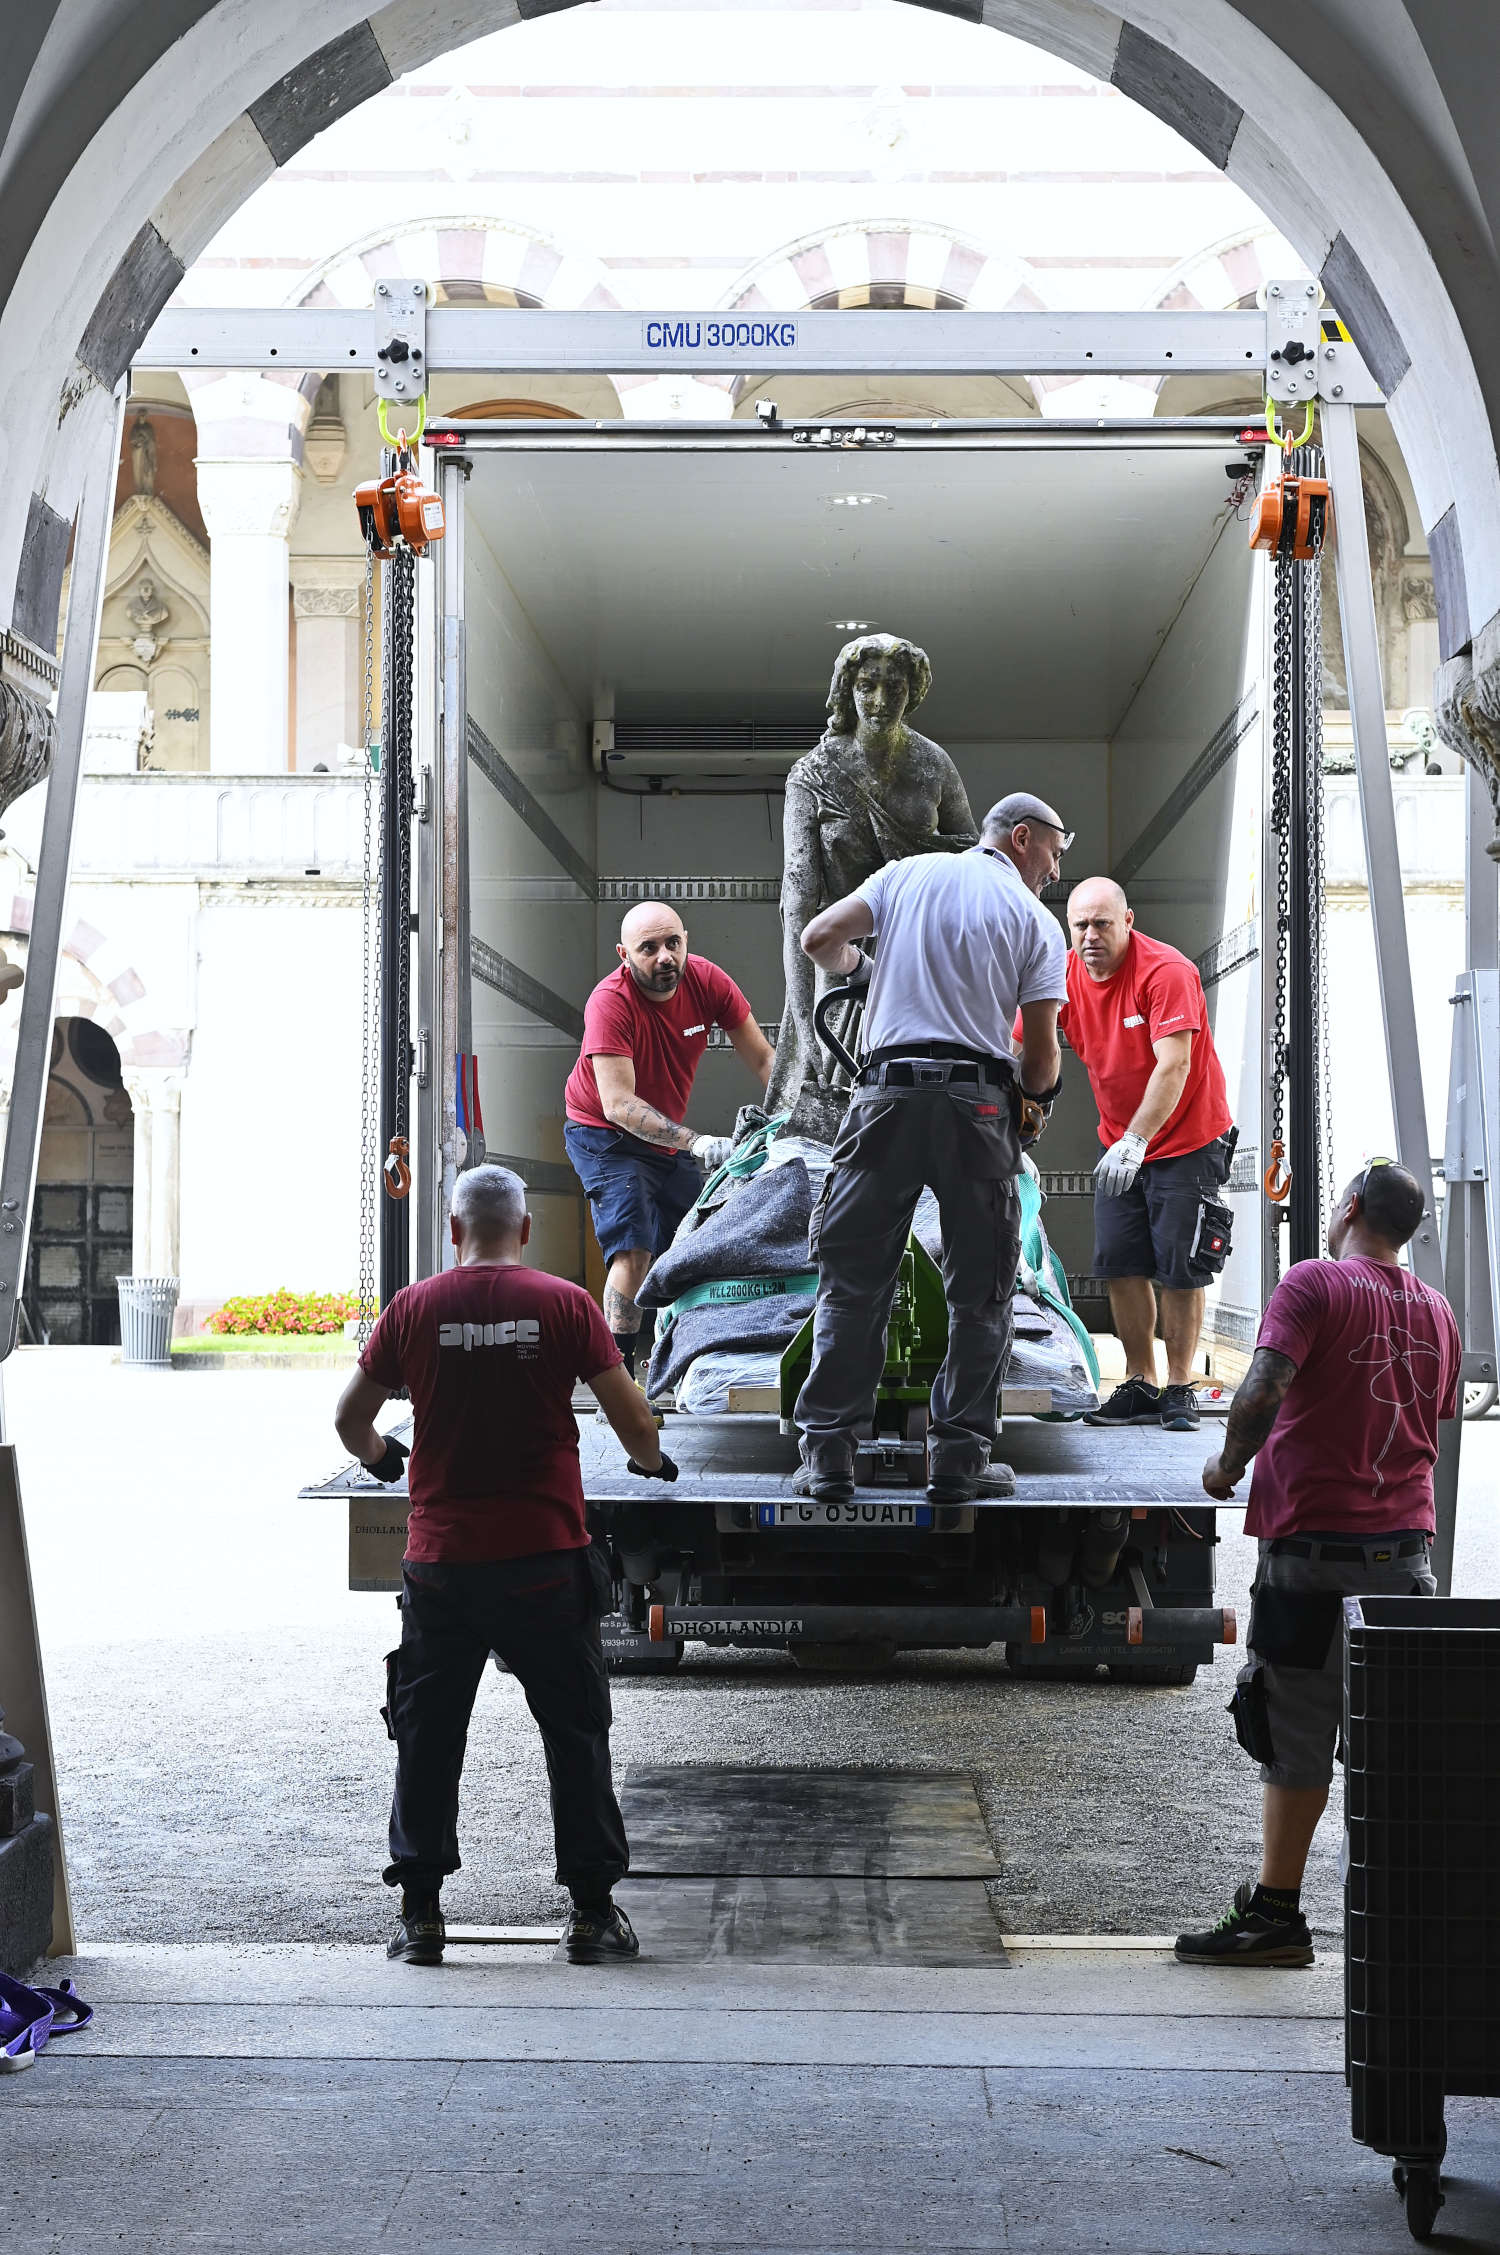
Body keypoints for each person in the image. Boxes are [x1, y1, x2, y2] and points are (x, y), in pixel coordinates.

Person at [333, 1164, 679, 1969]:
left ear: (455, 1229)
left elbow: (349, 1417)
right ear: (525, 1230)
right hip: (545, 1561)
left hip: (443, 1566)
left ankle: (421, 1917)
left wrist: (386, 1459)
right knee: (574, 1729)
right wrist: (650, 1458)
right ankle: (591, 1914)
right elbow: (630, 1418)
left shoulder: (414, 1308)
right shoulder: (565, 1304)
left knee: (427, 1734)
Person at [1176, 1159, 1460, 1966]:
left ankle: (1276, 1915)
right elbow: (1422, 1414)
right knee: (1387, 1739)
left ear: (1349, 1207)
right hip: (1405, 1560)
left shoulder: (1314, 1283)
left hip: (1312, 1557)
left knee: (1293, 1734)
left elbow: (1263, 1387)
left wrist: (1226, 1467)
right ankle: (1401, 1925)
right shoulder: (1439, 1311)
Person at [791, 791, 1070, 1506]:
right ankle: (957, 1462)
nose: (1054, 872)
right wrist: (1031, 1091)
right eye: (1054, 854)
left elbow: (818, 937)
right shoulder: (1035, 922)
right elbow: (1039, 1070)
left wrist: (863, 971)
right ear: (1022, 838)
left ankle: (829, 1458)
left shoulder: (904, 875)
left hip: (883, 1096)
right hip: (976, 1108)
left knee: (854, 1284)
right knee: (982, 1293)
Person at [767, 632, 978, 1134]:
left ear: (913, 692)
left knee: (929, 1116)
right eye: (867, 685)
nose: (880, 701)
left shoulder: (933, 765)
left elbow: (973, 865)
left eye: (895, 686)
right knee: (831, 1121)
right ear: (848, 689)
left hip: (920, 961)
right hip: (839, 968)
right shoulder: (813, 774)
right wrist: (804, 1021)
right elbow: (797, 907)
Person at [564, 902, 774, 1377]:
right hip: (604, 1135)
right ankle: (613, 1378)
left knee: (696, 1245)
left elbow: (764, 1060)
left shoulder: (707, 981)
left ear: (686, 941)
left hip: (664, 1139)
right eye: (649, 948)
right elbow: (619, 1105)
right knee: (634, 1250)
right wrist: (697, 1142)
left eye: (673, 943)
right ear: (624, 954)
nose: (665, 957)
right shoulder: (610, 1002)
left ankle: (688, 1362)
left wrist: (795, 1117)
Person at [1061, 876, 1235, 1434]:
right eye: (1081, 925)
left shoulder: (1165, 972)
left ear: (1128, 921)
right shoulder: (1064, 974)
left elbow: (1174, 1065)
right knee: (1120, 1262)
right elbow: (1025, 1046)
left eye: (1102, 924)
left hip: (1186, 1140)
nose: (1091, 936)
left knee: (1181, 1268)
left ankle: (1179, 1386)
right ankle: (1140, 1381)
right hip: (1119, 1141)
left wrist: (1137, 1141)